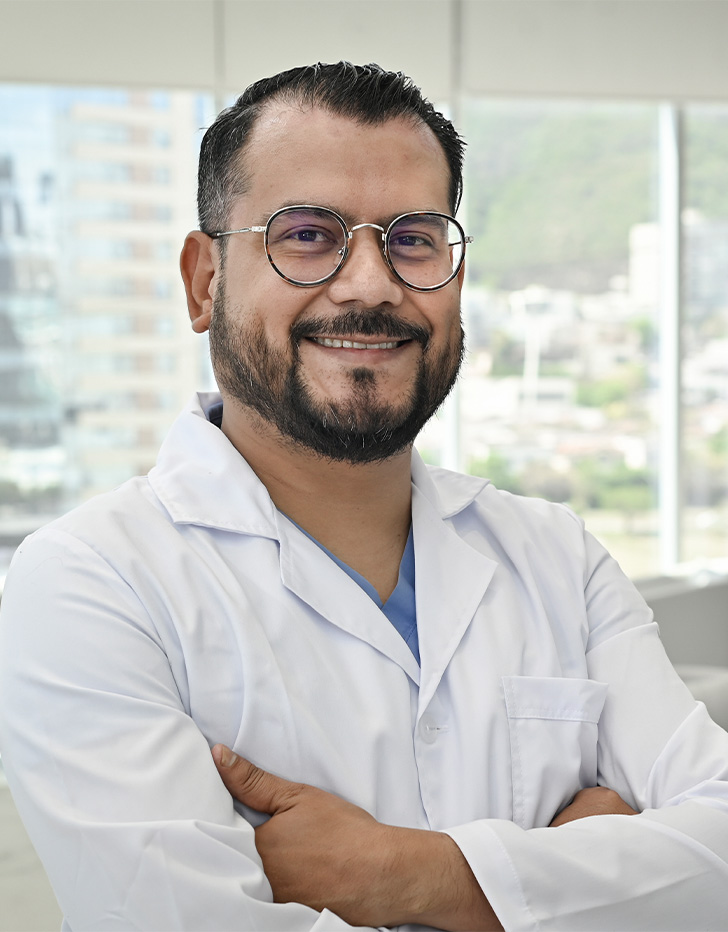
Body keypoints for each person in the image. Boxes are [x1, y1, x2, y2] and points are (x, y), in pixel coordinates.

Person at [1, 61, 727, 932]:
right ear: (203, 282)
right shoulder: (89, 583)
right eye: (306, 234)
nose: (371, 282)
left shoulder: (555, 554)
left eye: (414, 238)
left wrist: (425, 878)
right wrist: (597, 877)